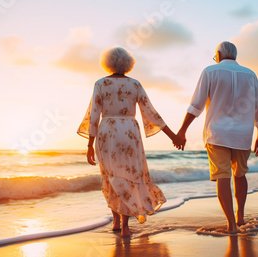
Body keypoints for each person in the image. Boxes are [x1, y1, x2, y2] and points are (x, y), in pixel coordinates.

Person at [78, 47, 184, 237]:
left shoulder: (100, 84)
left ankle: (116, 222)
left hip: (107, 132)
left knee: (110, 177)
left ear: (107, 62)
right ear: (128, 64)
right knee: (128, 177)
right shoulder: (135, 85)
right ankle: (125, 225)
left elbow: (94, 115)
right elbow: (151, 113)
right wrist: (173, 135)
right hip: (129, 133)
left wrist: (89, 145)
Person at [174, 41, 258, 235]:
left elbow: (196, 106)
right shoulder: (250, 74)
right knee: (240, 175)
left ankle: (231, 224)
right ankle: (240, 216)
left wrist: (182, 130)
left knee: (222, 177)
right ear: (235, 55)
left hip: (217, 134)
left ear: (218, 54)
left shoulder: (210, 71)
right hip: (243, 134)